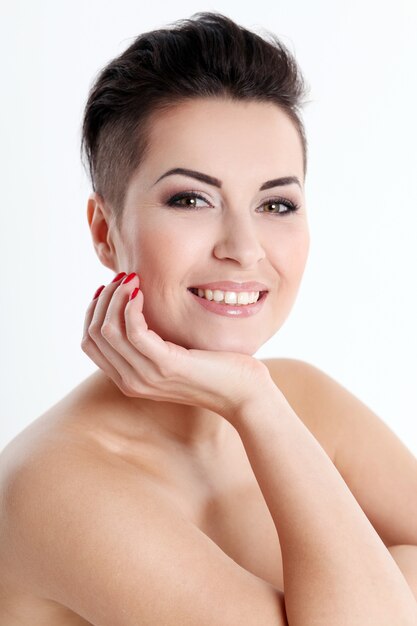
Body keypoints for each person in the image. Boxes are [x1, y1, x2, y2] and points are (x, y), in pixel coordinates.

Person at [1, 11, 416, 626]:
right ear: (105, 231)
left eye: (277, 203)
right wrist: (255, 404)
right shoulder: (56, 486)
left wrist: (262, 404)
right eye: (191, 199)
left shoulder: (306, 399)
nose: (244, 247)